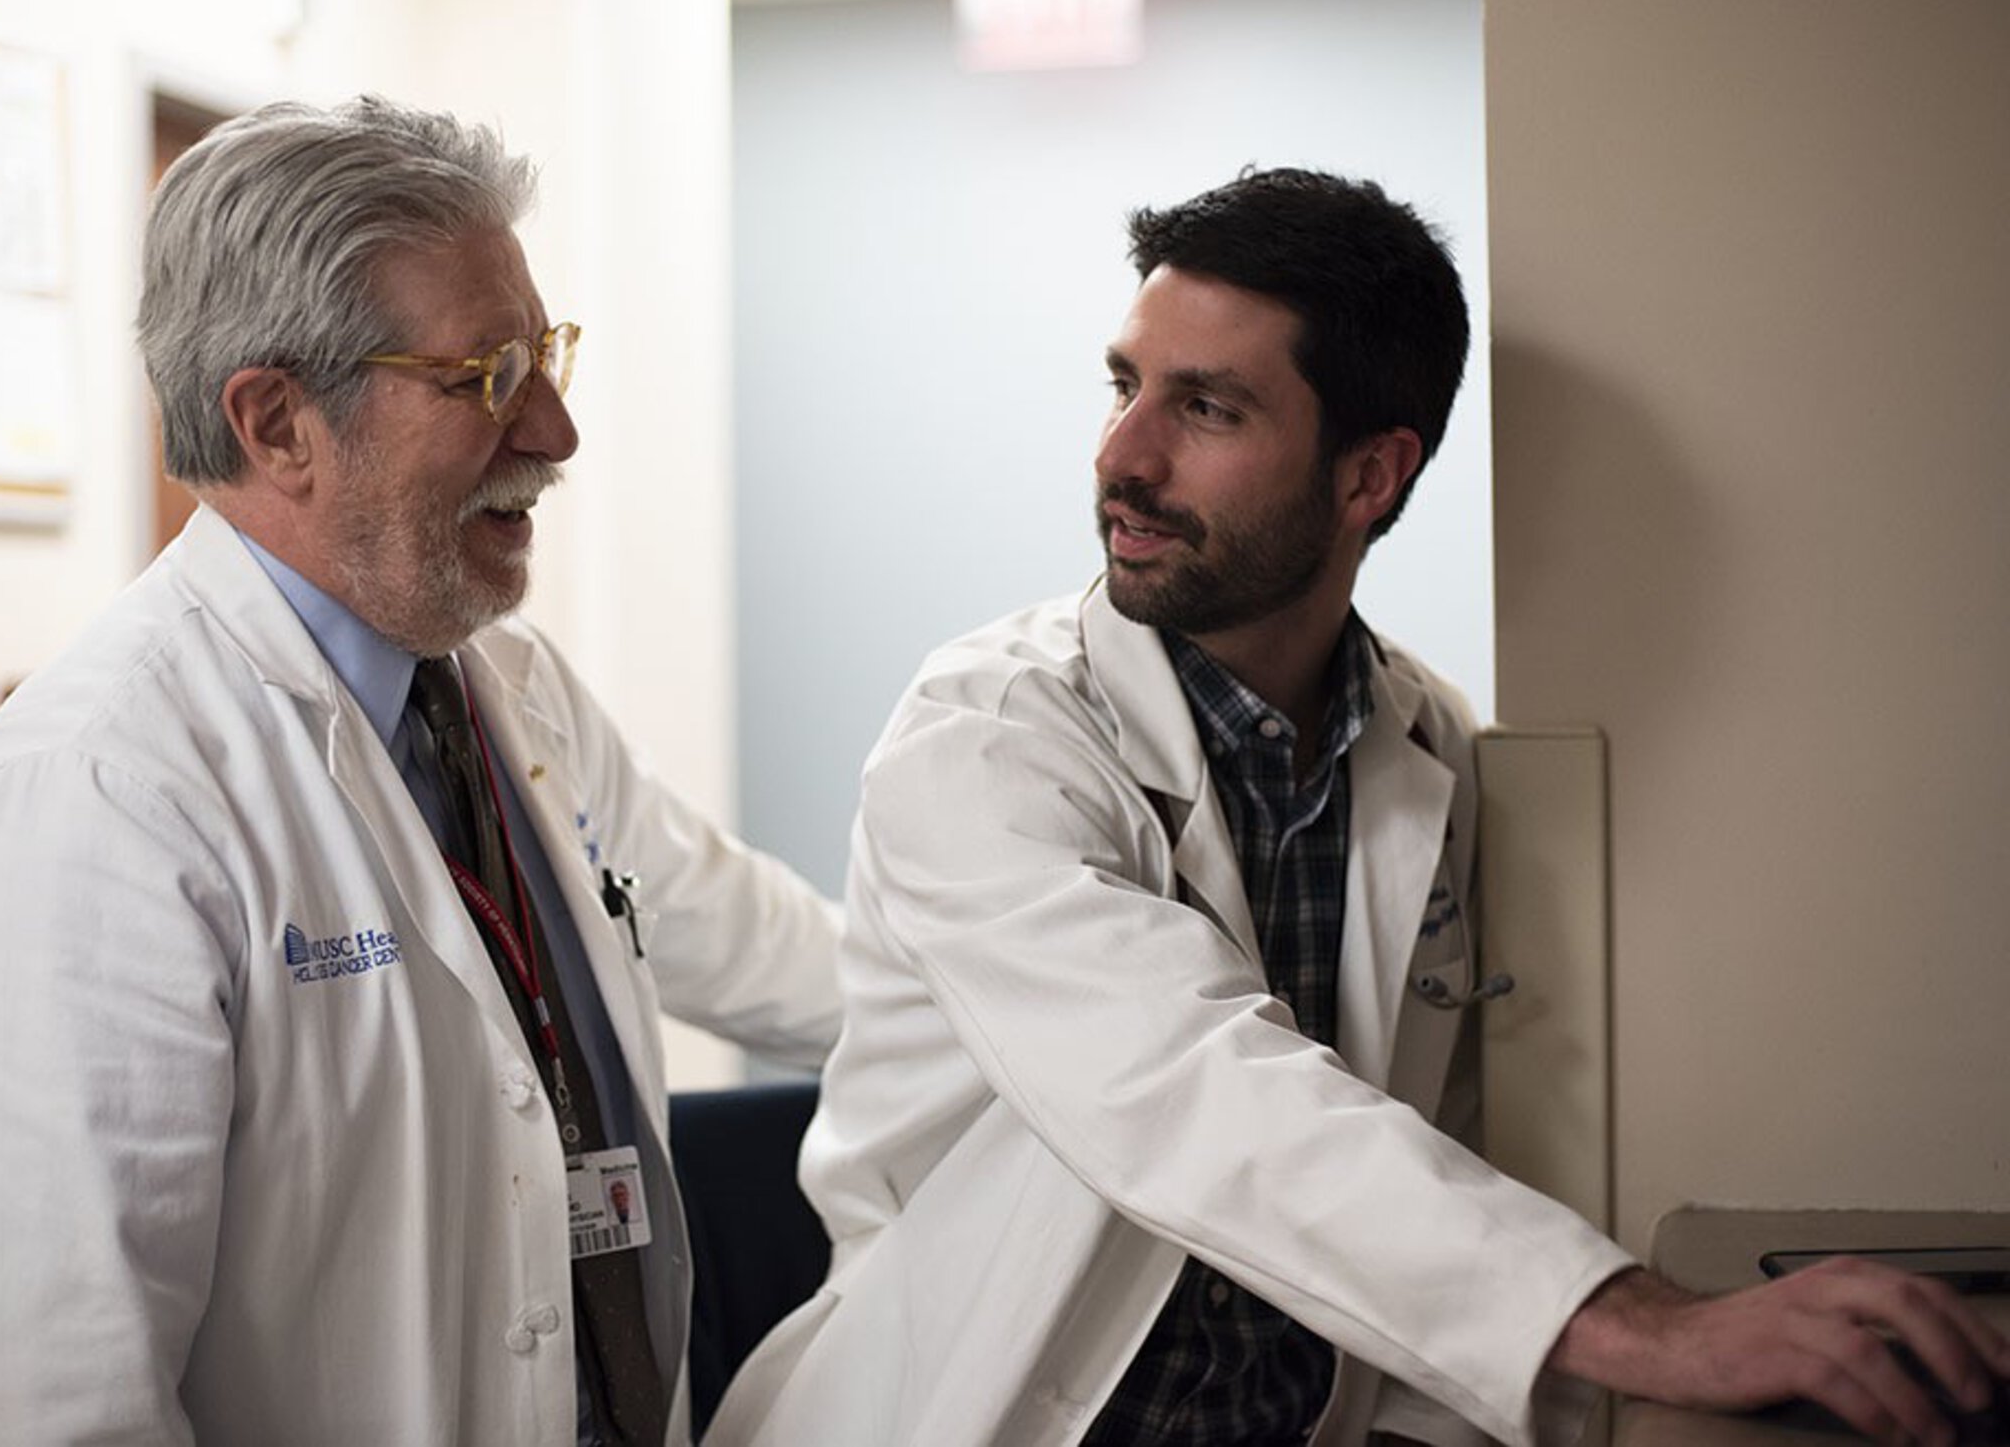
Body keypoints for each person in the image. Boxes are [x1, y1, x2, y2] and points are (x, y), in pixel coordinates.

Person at [706, 168, 2010, 1447]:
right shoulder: (985, 740)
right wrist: (1647, 1328)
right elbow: (1193, 1090)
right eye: (1124, 386)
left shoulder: (1418, 736)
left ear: (1368, 477)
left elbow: (1424, 1139)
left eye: (1205, 407)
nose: (1122, 455)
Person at [0, 97, 842, 1447]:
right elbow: (61, 1402)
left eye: (544, 355)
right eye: (486, 376)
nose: (555, 429)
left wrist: (1045, 1012)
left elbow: (762, 945)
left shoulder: (506, 686)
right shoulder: (98, 794)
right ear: (278, 422)